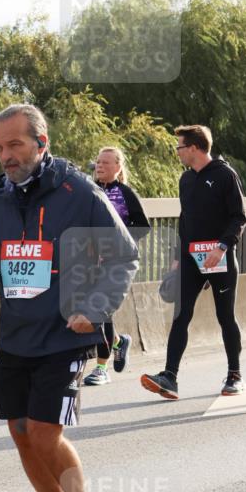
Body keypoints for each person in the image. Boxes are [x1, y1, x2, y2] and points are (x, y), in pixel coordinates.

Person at [0, 104, 139, 492]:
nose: (6, 156)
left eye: (15, 144)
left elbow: (124, 255)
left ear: (41, 143)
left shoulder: (79, 192)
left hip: (66, 333)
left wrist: (94, 309)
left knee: (44, 432)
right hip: (16, 334)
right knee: (20, 431)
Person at [141, 125, 246, 400]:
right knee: (181, 314)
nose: (177, 152)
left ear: (194, 148)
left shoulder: (225, 175)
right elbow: (185, 221)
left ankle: (234, 375)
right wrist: (177, 259)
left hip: (220, 257)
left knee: (225, 316)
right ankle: (170, 377)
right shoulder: (186, 179)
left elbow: (239, 216)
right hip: (190, 259)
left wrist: (222, 247)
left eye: (179, 147)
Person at [84, 147, 150, 386]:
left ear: (118, 167)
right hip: (87, 262)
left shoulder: (125, 193)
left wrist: (119, 245)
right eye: (98, 162)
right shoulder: (88, 190)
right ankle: (119, 342)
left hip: (114, 264)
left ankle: (101, 368)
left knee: (102, 311)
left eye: (105, 162)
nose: (99, 166)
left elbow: (143, 226)